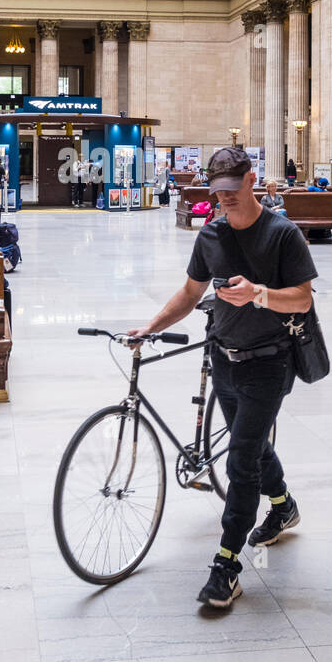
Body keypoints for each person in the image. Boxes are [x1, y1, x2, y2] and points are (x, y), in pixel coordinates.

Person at [128, 146, 316, 609]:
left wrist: (259, 295)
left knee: (240, 460)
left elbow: (303, 300)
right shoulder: (210, 234)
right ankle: (283, 504)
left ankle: (227, 564)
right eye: (217, 192)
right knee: (246, 442)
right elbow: (191, 292)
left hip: (270, 362)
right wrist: (152, 325)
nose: (224, 199)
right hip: (225, 359)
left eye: (232, 190)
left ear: (252, 180)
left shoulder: (282, 233)